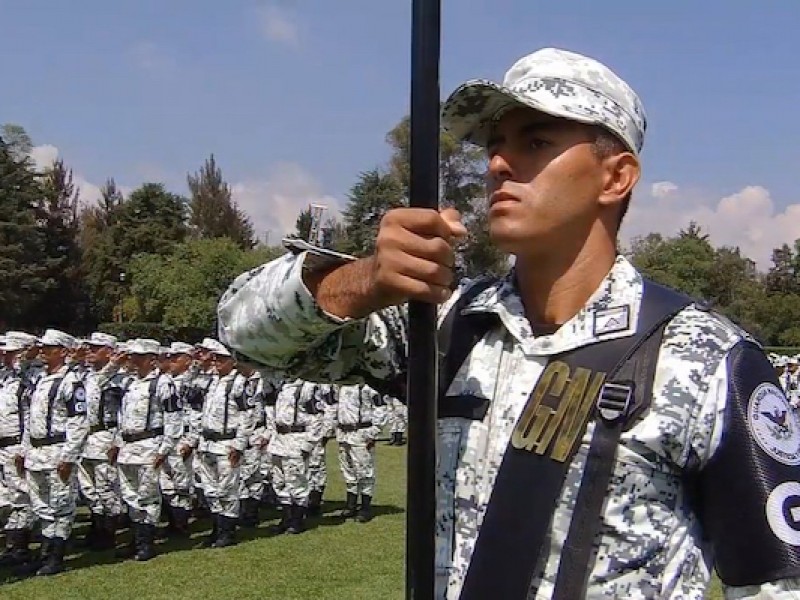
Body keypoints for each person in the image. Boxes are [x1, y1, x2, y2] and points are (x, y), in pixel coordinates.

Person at [218, 47, 800, 599]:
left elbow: (779, 580)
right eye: (494, 145)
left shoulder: (703, 359)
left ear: (616, 176)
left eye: (537, 140)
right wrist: (368, 279)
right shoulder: (447, 329)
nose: (498, 163)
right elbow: (245, 333)